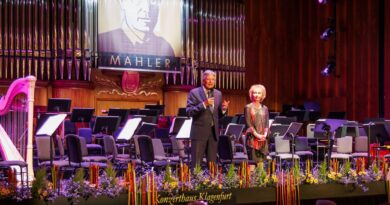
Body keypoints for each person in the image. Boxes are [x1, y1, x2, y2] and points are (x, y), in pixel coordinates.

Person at [98, 0, 175, 57]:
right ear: (122, 3)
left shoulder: (166, 48)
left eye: (153, 1)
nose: (147, 10)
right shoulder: (102, 42)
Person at [186, 70, 230, 168]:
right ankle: (195, 182)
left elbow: (217, 115)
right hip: (199, 133)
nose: (210, 81)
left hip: (213, 134)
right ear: (203, 80)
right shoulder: (194, 92)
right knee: (196, 164)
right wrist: (203, 104)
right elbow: (189, 112)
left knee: (212, 164)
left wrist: (223, 109)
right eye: (208, 79)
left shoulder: (218, 93)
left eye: (213, 79)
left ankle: (212, 183)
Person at [244, 84, 269, 162]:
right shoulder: (248, 107)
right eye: (254, 93)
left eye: (259, 93)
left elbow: (267, 124)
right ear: (251, 94)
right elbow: (249, 124)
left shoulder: (265, 108)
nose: (257, 95)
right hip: (252, 139)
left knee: (261, 165)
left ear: (262, 95)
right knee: (253, 165)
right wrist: (258, 135)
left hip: (263, 140)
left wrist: (264, 136)